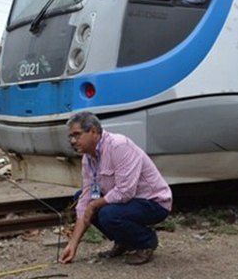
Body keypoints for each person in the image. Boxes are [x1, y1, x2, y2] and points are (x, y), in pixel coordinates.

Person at [59, 112, 172, 266]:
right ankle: (125, 241)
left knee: (107, 213)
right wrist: (73, 244)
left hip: (153, 202)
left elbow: (125, 191)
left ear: (93, 131)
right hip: (127, 202)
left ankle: (146, 242)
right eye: (70, 136)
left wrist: (94, 205)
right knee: (81, 197)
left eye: (77, 135)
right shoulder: (89, 159)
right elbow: (87, 198)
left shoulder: (119, 146)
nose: (73, 141)